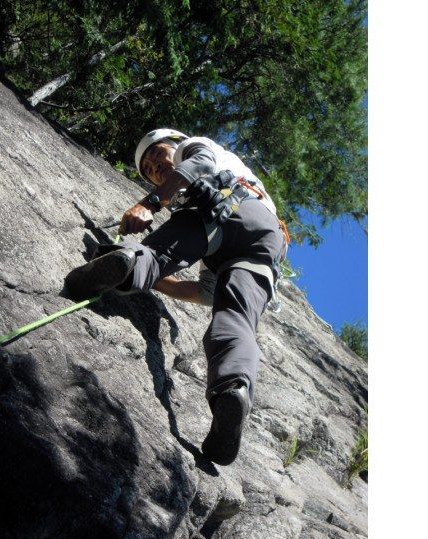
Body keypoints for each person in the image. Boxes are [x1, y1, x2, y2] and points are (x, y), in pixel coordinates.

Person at [65, 129, 287, 465]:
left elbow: (199, 163)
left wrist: (150, 201)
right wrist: (157, 283)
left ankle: (130, 263)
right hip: (264, 241)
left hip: (222, 203)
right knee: (234, 321)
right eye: (150, 171)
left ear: (175, 143)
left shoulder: (194, 147)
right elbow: (206, 292)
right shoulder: (244, 186)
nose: (156, 168)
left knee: (151, 255)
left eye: (158, 156)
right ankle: (233, 391)